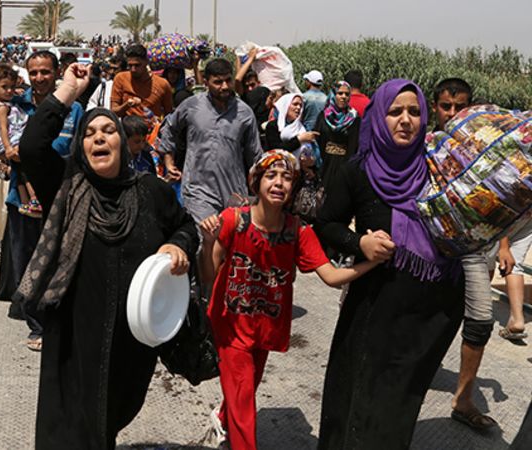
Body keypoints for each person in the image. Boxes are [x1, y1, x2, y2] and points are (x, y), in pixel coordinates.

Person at [14, 62, 198, 450]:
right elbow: (31, 148)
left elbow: (185, 226)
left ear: (122, 143)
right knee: (71, 428)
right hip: (74, 335)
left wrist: (178, 245)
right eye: (90, 133)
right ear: (81, 147)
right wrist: (68, 91)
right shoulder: (66, 186)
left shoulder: (150, 191)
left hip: (132, 339)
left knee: (108, 420)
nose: (99, 137)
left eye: (108, 131)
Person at [315, 79, 465, 449]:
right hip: (373, 306)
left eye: (414, 111)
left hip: (428, 313)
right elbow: (326, 224)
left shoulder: (437, 168)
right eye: (395, 111)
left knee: (399, 402)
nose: (405, 120)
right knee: (359, 392)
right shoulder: (358, 172)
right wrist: (360, 243)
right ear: (379, 117)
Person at [199, 150, 383, 450]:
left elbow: (331, 276)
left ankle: (221, 417)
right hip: (230, 326)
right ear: (257, 182)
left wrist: (373, 261)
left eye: (286, 177)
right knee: (243, 399)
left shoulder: (299, 231)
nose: (279, 183)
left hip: (265, 325)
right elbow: (207, 274)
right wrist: (208, 244)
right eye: (271, 175)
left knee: (246, 386)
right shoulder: (232, 220)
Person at [431, 77, 525, 431]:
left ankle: (463, 399)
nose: (452, 113)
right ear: (436, 107)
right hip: (429, 249)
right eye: (446, 106)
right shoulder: (429, 147)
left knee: (480, 321)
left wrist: (504, 245)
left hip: (473, 250)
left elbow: (501, 199)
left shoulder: (484, 148)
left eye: (460, 107)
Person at [0, 50, 84, 350]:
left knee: (59, 259)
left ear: (57, 72)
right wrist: (7, 153)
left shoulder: (73, 109)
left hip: (59, 195)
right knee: (26, 260)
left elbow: (76, 149)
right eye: (33, 72)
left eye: (45, 71)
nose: (39, 78)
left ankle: (58, 320)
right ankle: (37, 324)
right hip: (21, 198)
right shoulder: (13, 106)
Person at [159, 58, 262, 223]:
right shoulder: (191, 106)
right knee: (206, 233)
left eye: (228, 80)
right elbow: (169, 128)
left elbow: (254, 155)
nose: (225, 86)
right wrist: (169, 162)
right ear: (206, 83)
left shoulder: (244, 113)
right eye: (218, 82)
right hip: (198, 191)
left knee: (230, 235)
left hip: (234, 192)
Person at [0, 63, 40, 218]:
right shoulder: (1, 108)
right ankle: (34, 198)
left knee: (18, 171)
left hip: (11, 141)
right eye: (4, 87)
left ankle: (24, 201)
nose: (9, 91)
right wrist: (8, 147)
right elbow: (4, 128)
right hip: (9, 142)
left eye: (12, 87)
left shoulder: (8, 102)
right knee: (24, 170)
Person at [315, 81, 360, 190]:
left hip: (343, 166)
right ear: (333, 94)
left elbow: (355, 146)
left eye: (347, 94)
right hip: (324, 164)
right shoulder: (323, 116)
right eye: (340, 93)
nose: (343, 97)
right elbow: (317, 140)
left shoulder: (354, 118)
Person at [110, 43, 173, 120]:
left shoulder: (162, 84)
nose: (133, 69)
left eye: (137, 65)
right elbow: (114, 111)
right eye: (130, 65)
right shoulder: (120, 79)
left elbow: (169, 115)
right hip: (128, 126)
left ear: (146, 62)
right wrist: (127, 105)